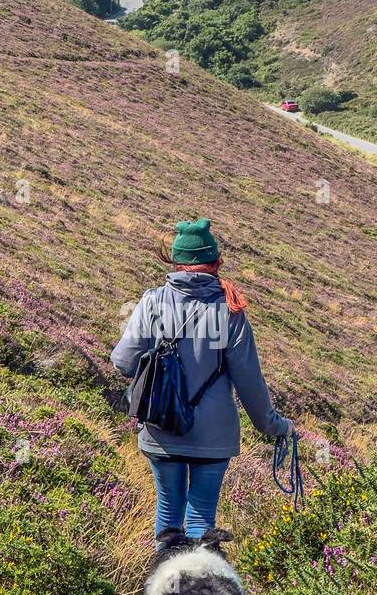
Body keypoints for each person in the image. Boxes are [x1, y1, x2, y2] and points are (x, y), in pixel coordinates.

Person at [111, 217, 293, 541]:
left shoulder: (152, 301)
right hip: (213, 437)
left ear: (176, 262)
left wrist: (158, 369)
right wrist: (273, 426)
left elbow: (123, 361)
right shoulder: (231, 310)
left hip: (161, 429)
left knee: (168, 518)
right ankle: (202, 587)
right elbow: (249, 379)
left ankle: (168, 589)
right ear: (216, 261)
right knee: (200, 521)